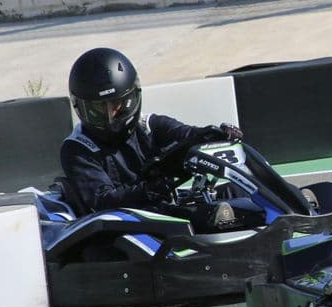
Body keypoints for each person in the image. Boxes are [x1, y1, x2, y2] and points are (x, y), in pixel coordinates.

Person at [60, 47, 245, 232]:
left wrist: (216, 136)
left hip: (166, 204)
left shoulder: (149, 125)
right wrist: (149, 189)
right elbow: (103, 200)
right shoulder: (77, 148)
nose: (111, 117)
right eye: (99, 110)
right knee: (203, 216)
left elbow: (188, 134)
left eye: (117, 105)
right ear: (81, 107)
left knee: (239, 192)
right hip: (126, 223)